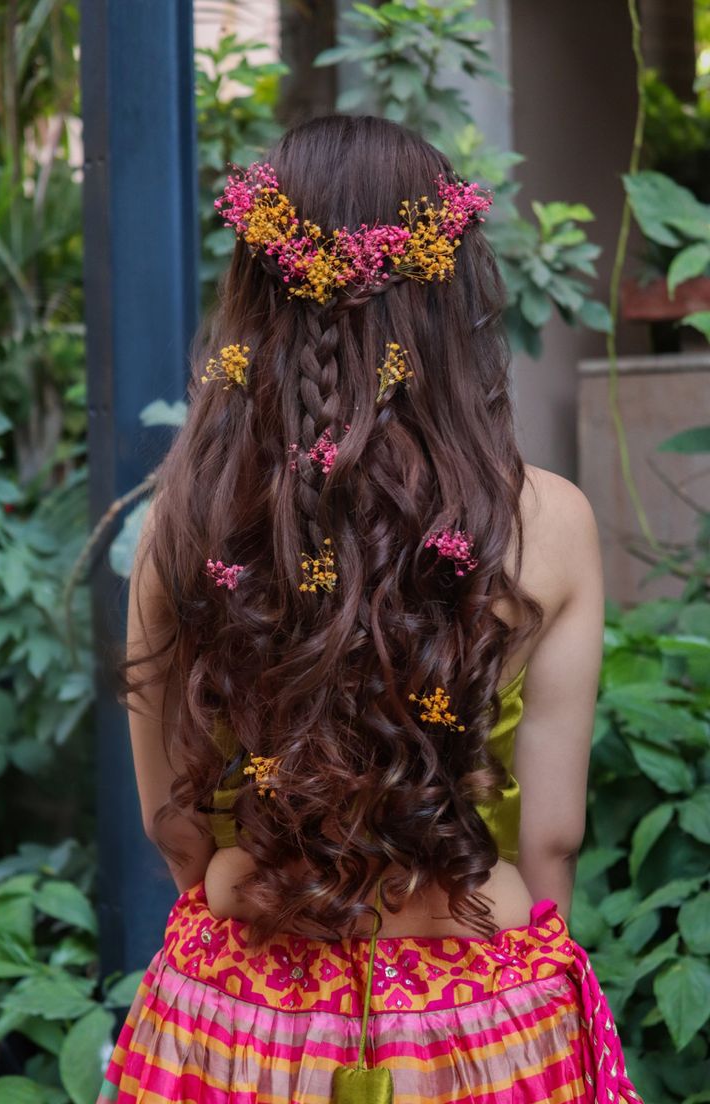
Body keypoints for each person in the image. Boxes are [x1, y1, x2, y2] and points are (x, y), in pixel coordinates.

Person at [97, 114, 643, 1104]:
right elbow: (550, 834)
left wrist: (243, 933)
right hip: (474, 1009)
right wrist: (524, 986)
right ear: (448, 296)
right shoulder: (547, 520)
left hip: (237, 1009)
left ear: (256, 296)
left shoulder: (187, 517)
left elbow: (170, 820)